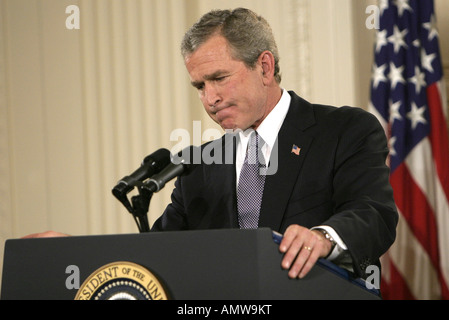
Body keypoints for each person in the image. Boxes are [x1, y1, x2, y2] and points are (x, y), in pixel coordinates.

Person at [26, 8, 398, 281]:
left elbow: (373, 214)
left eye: (219, 78)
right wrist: (74, 252)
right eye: (200, 86)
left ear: (265, 67)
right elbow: (155, 258)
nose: (209, 98)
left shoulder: (344, 129)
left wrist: (322, 238)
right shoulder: (198, 166)